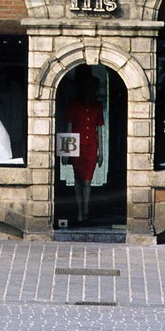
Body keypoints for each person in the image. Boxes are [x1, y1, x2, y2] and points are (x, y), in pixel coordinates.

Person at [63, 68, 104, 222]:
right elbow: (68, 128)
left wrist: (101, 153)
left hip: (91, 148)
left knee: (87, 181)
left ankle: (86, 211)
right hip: (76, 147)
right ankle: (79, 211)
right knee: (77, 180)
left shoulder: (97, 106)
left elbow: (99, 131)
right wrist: (66, 152)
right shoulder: (73, 104)